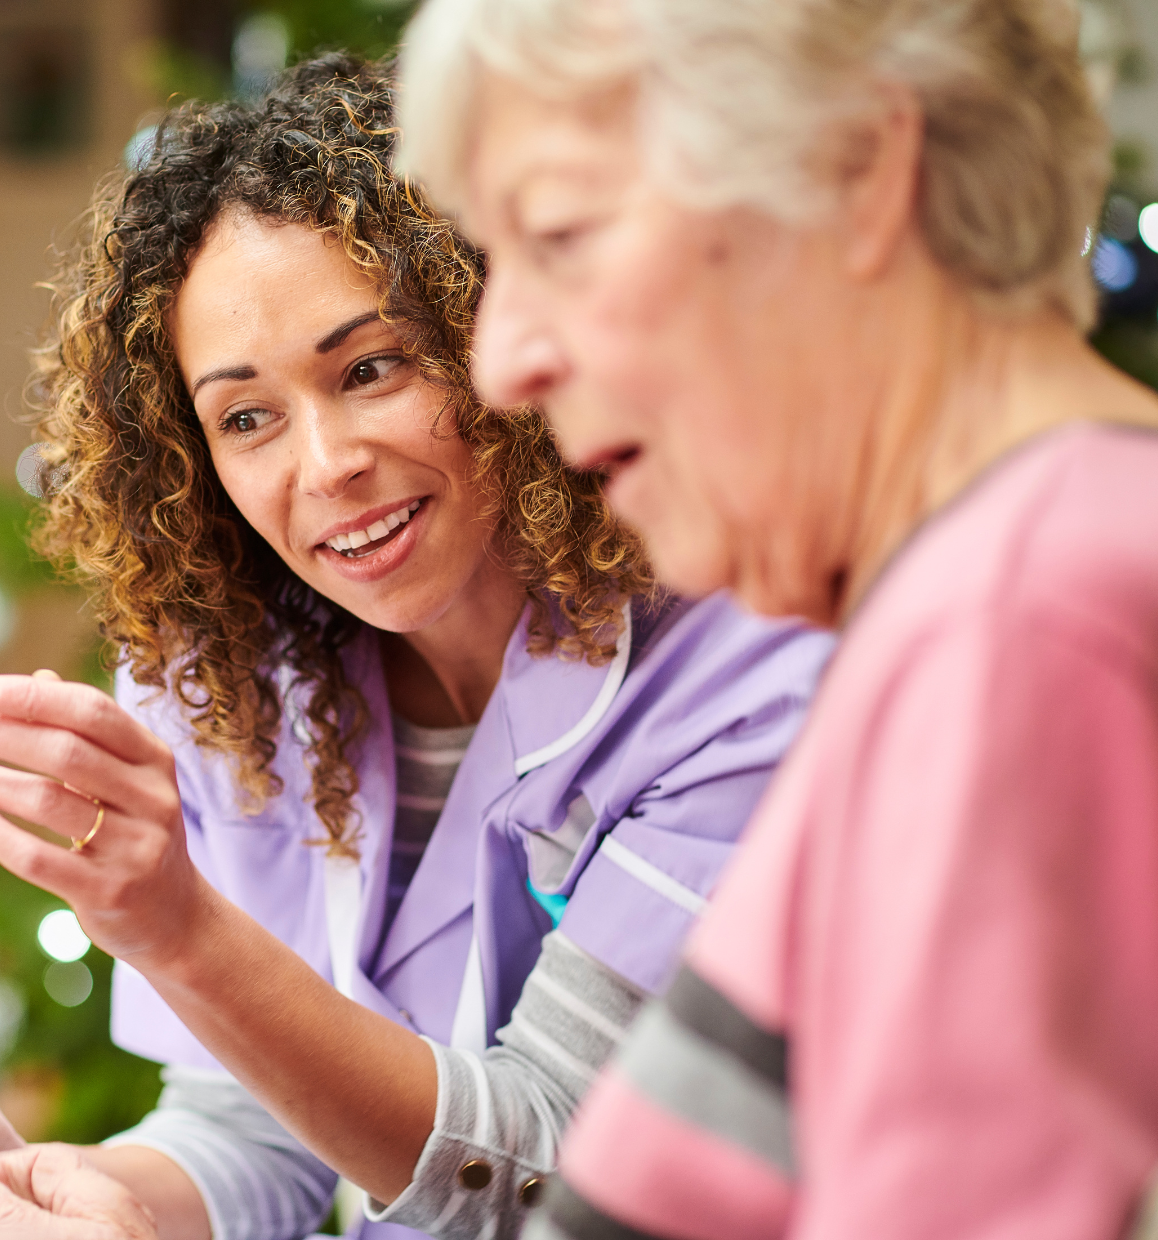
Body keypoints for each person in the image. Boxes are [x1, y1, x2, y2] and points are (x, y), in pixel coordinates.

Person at [0, 55, 831, 1240]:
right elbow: (251, 1129)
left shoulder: (743, 674)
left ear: (497, 335)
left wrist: (183, 931)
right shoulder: (235, 688)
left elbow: (554, 1167)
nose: (323, 464)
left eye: (371, 367)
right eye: (246, 417)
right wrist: (67, 1193)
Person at [387, 0, 1158, 1237]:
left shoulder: (1023, 614)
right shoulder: (967, 602)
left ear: (856, 170)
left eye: (563, 234)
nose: (501, 360)